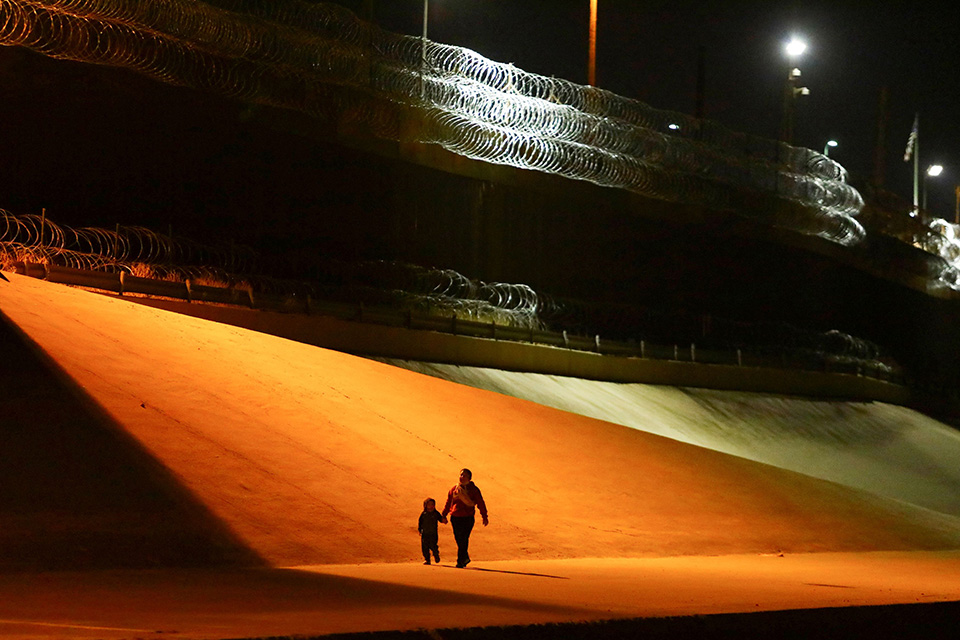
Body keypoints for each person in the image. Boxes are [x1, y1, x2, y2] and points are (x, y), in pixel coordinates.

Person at [441, 468, 488, 568]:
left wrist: (484, 516)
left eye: (464, 475)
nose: (462, 477)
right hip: (455, 517)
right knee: (459, 539)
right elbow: (449, 502)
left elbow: (480, 502)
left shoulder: (474, 490)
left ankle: (460, 561)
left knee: (464, 539)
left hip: (468, 518)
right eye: (461, 475)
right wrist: (443, 515)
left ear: (469, 478)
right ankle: (465, 558)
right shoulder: (454, 489)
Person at [418, 497, 446, 565]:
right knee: (425, 547)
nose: (431, 506)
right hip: (425, 533)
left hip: (433, 533)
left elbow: (440, 519)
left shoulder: (436, 513)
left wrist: (443, 520)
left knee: (433, 545)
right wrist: (419, 530)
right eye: (429, 504)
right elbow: (420, 522)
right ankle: (427, 559)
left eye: (432, 504)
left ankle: (436, 555)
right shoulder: (423, 514)